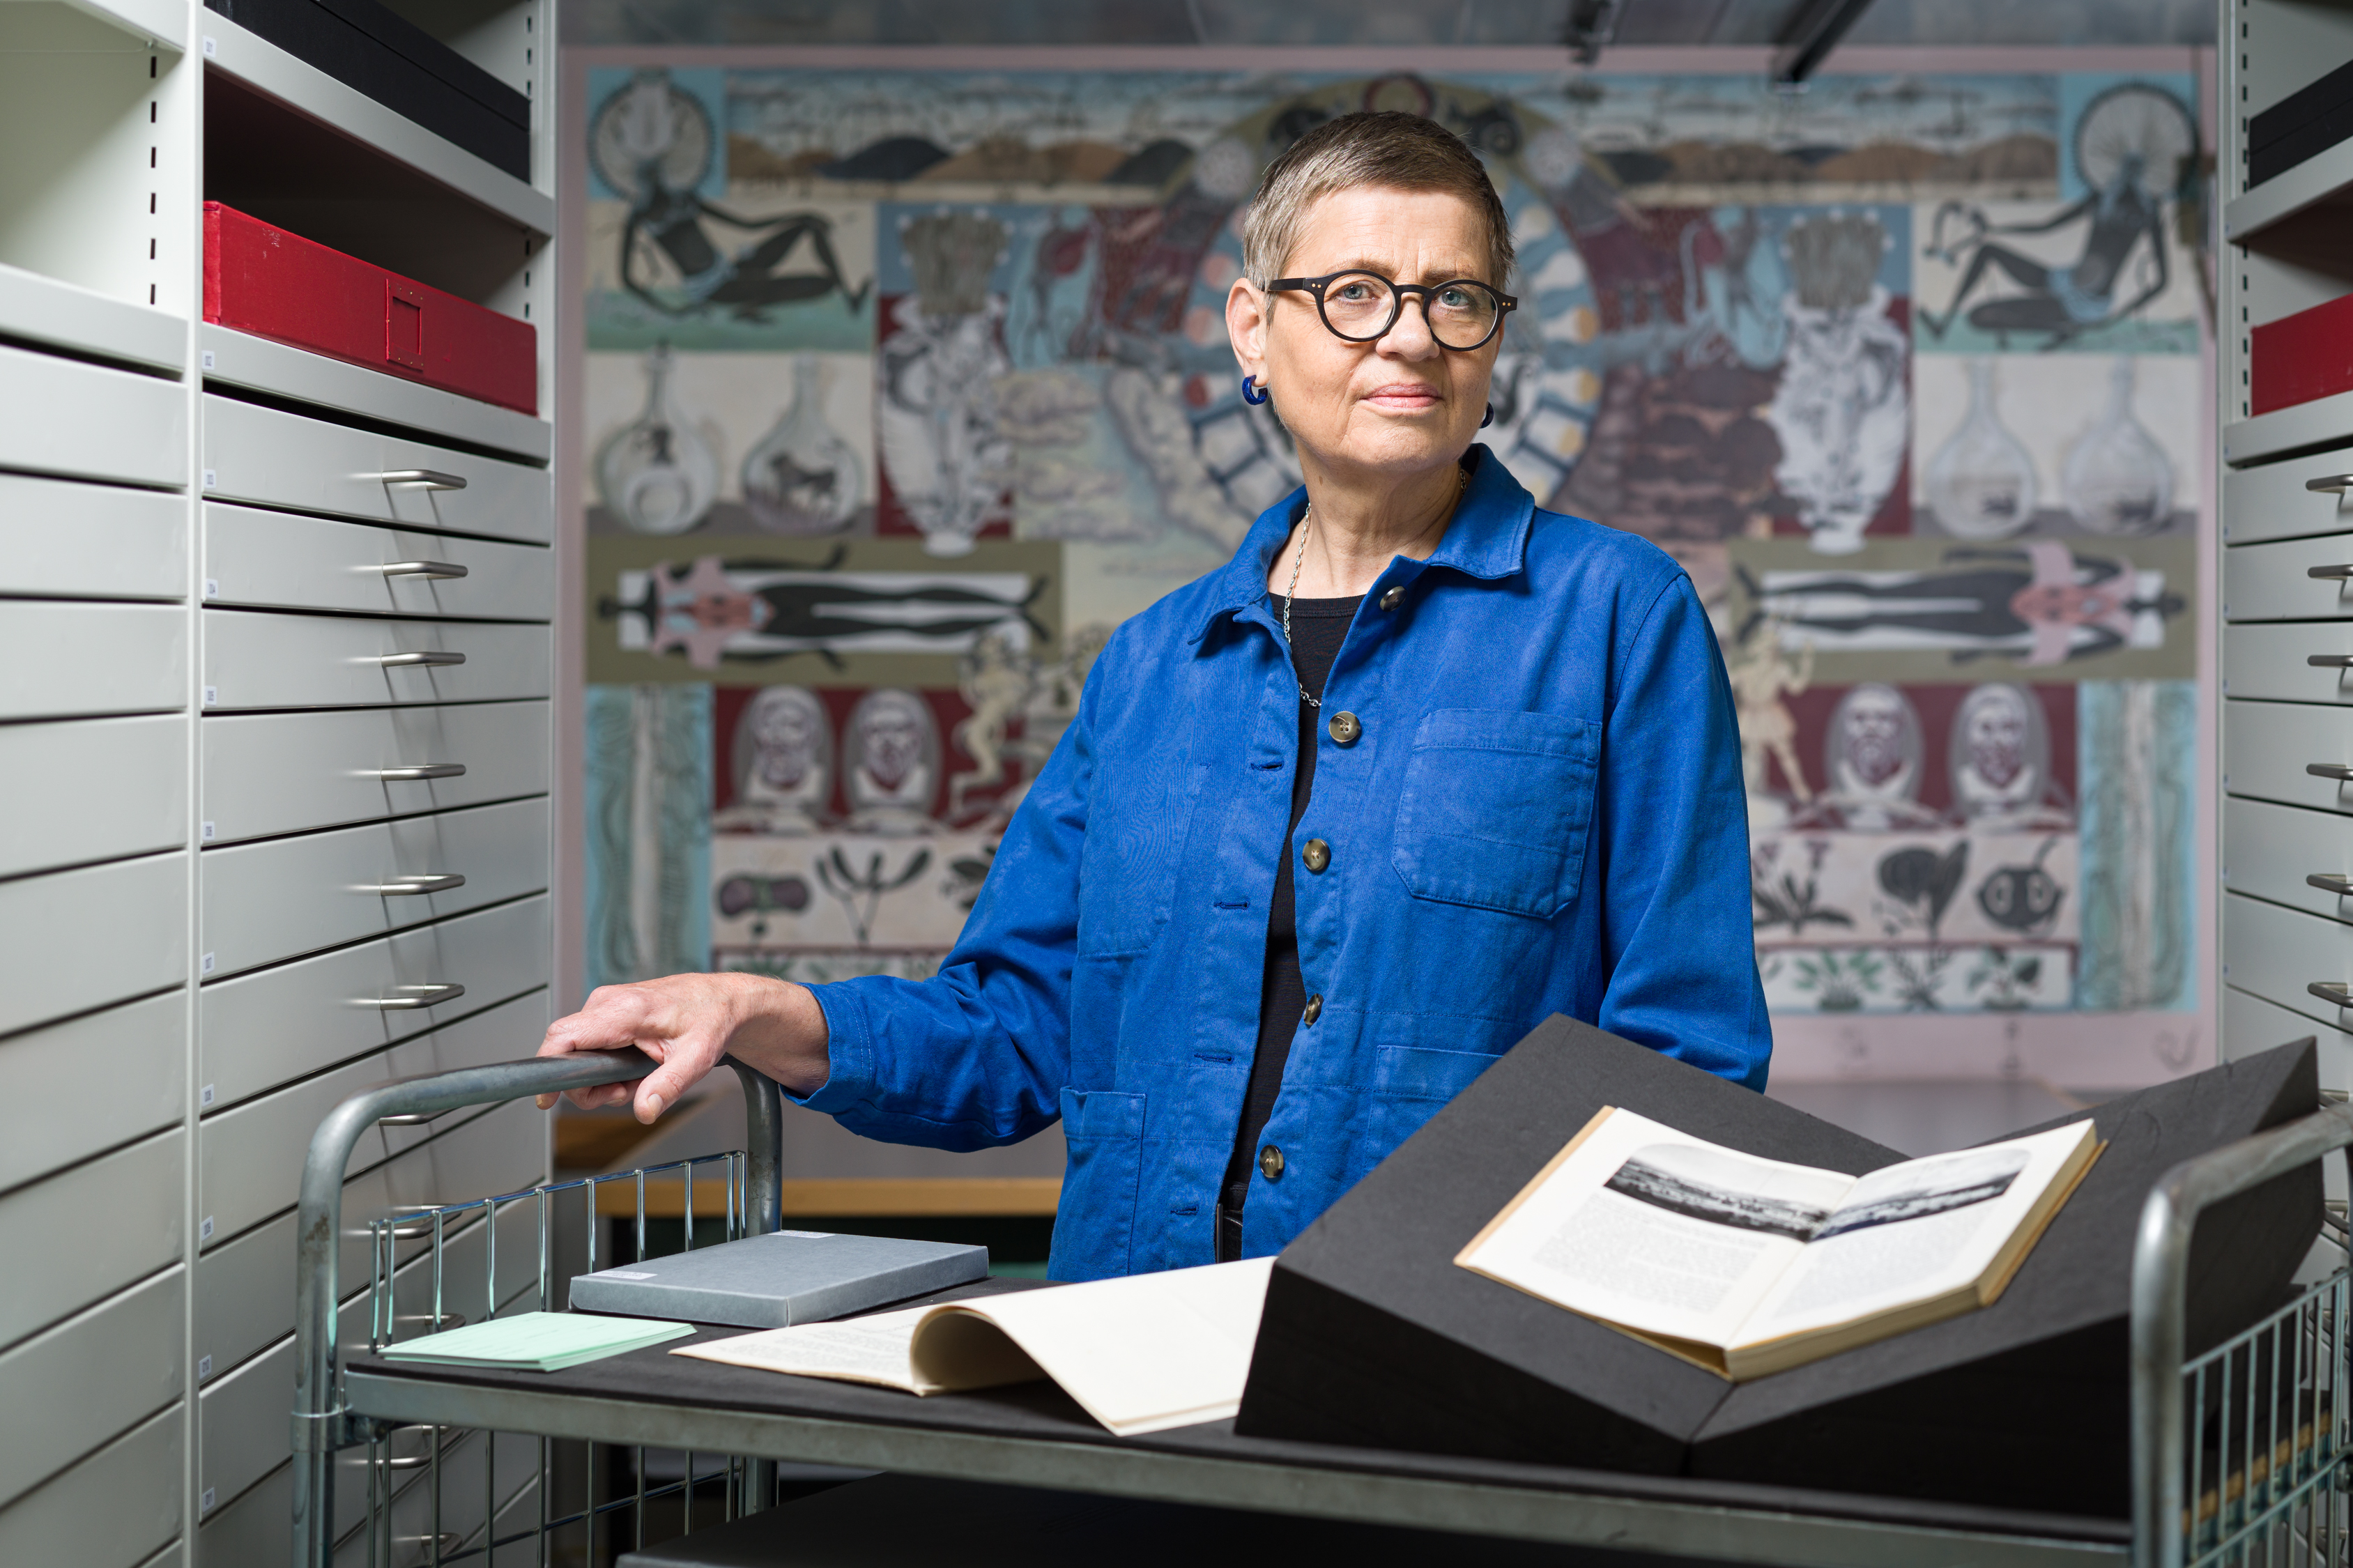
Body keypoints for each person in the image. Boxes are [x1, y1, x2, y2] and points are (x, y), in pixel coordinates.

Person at [536, 112, 1771, 1280]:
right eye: (1354, 293)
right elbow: (1014, 1033)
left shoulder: (1620, 617)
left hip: (1448, 1357)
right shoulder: (1148, 666)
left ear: (1493, 339)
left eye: (1455, 297)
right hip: (1131, 1345)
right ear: (1253, 328)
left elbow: (1687, 1059)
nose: (1409, 337)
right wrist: (750, 1008)